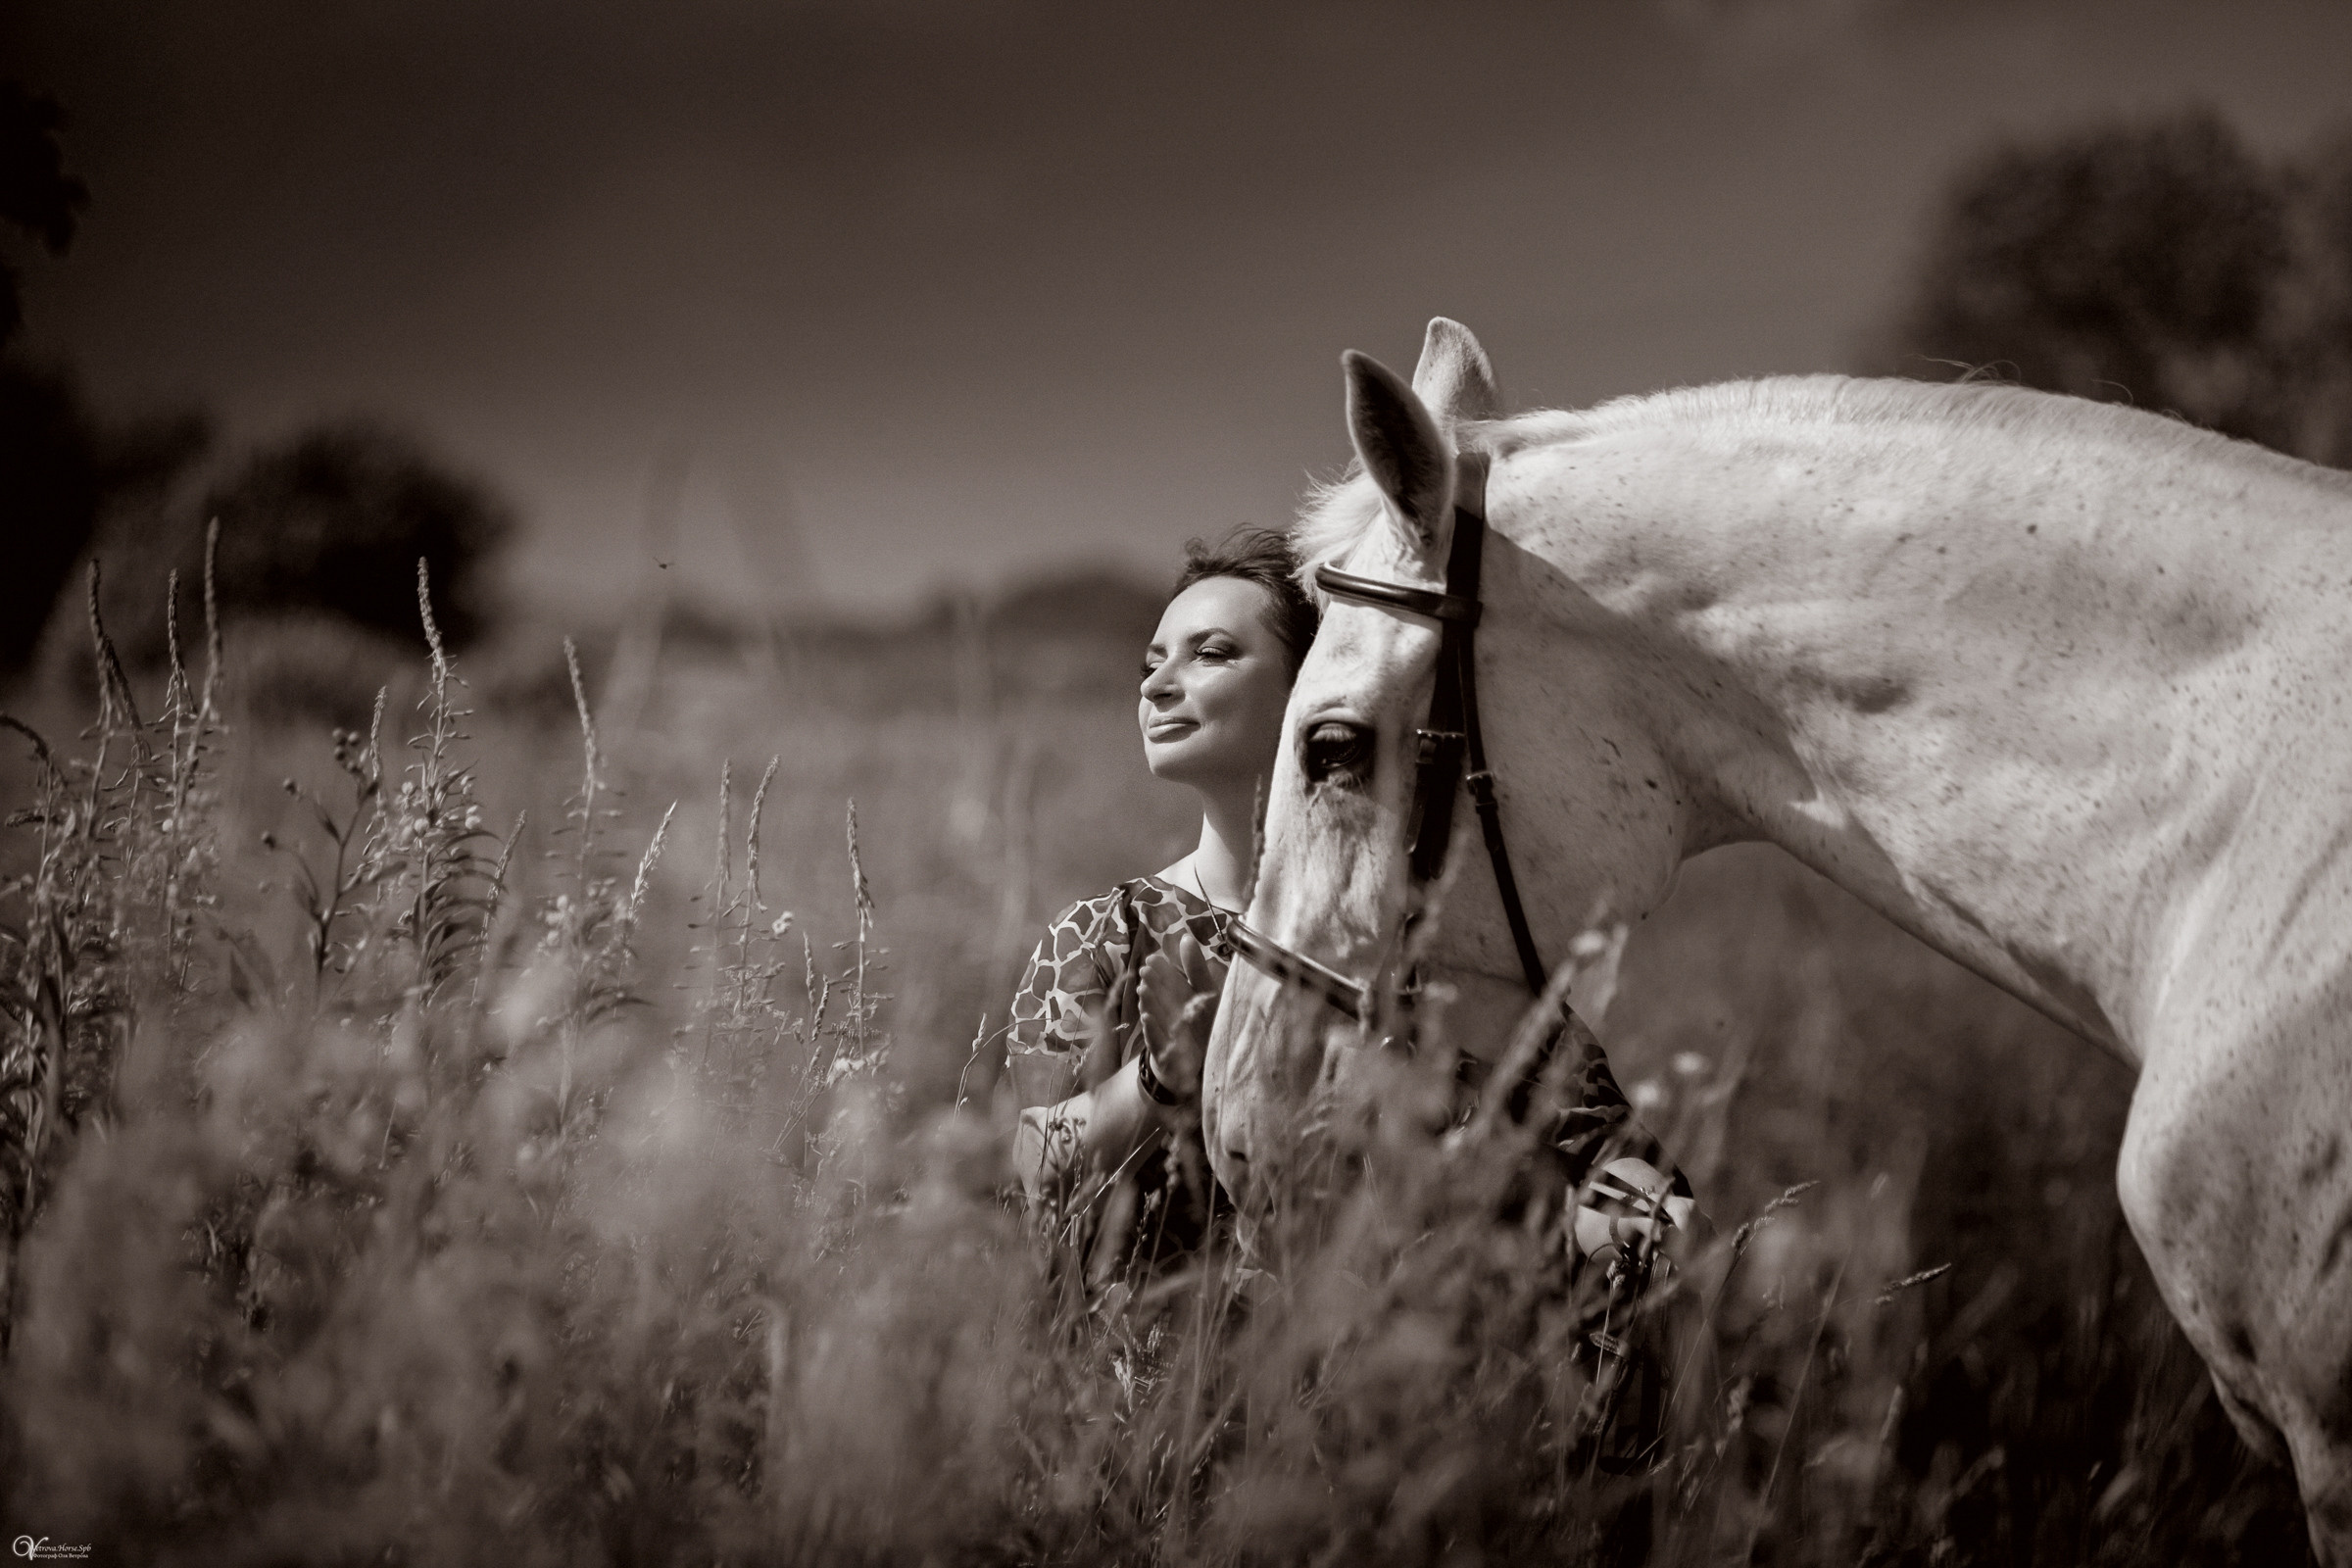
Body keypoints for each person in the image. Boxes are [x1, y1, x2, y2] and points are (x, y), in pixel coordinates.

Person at [1004, 528, 1698, 1364]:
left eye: (1211, 654)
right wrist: (1159, 1082)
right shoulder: (1110, 935)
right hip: (1157, 1452)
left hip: (1418, 1450)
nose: (1156, 683)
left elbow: (1661, 1230)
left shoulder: (1446, 953)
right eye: (1152, 659)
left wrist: (1468, 1118)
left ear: (1318, 685)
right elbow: (1033, 1175)